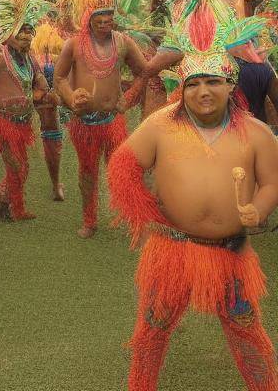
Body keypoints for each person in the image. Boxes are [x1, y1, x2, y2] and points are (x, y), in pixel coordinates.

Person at [108, 19, 278, 390]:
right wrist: (145, 211)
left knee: (248, 333)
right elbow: (123, 165)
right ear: (181, 89)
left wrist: (259, 208)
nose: (203, 91)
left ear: (230, 85)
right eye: (194, 83)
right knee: (151, 332)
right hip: (171, 251)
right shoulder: (161, 126)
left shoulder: (256, 133)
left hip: (230, 255)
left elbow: (270, 182)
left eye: (213, 81)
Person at [54, 5, 149, 238]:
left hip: (113, 121)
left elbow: (144, 71)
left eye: (109, 20)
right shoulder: (74, 45)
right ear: (89, 21)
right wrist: (71, 97)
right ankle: (90, 220)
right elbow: (59, 78)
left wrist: (128, 98)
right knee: (87, 172)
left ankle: (130, 216)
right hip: (84, 124)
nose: (106, 25)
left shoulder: (123, 42)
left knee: (123, 169)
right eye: (100, 21)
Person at [0, 0, 56, 220]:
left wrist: (42, 87)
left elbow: (39, 81)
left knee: (21, 166)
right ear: (9, 34)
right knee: (17, 166)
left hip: (23, 122)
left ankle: (2, 205)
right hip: (4, 123)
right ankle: (12, 208)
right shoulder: (0, 58)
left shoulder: (28, 58)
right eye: (21, 34)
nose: (26, 38)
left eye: (29, 34)